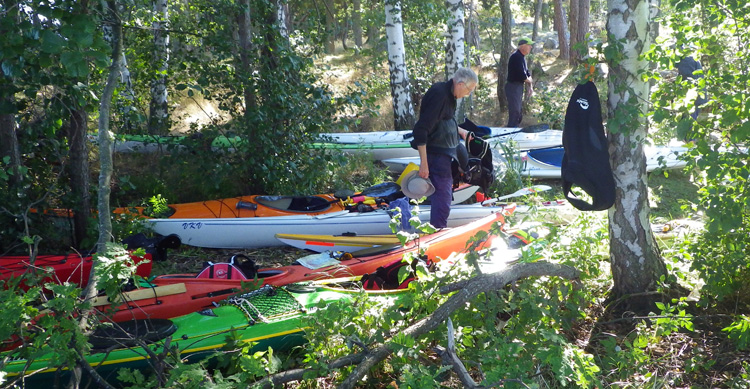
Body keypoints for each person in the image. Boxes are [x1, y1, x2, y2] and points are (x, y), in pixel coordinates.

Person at [410, 67, 477, 228]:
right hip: (436, 154)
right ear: (460, 84)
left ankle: (436, 226)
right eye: (468, 91)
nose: (467, 95)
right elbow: (421, 130)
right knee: (443, 195)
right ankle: (437, 230)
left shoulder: (450, 94)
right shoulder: (440, 95)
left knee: (443, 193)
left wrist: (460, 131)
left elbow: (443, 120)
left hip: (446, 151)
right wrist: (424, 164)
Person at [505, 37, 534, 127]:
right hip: (513, 87)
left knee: (518, 112)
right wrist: (529, 80)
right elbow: (522, 75)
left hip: (518, 87)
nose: (531, 47)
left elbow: (527, 73)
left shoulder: (522, 57)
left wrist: (531, 86)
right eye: (529, 45)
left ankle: (514, 129)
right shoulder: (516, 57)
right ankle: (511, 132)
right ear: (523, 46)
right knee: (515, 112)